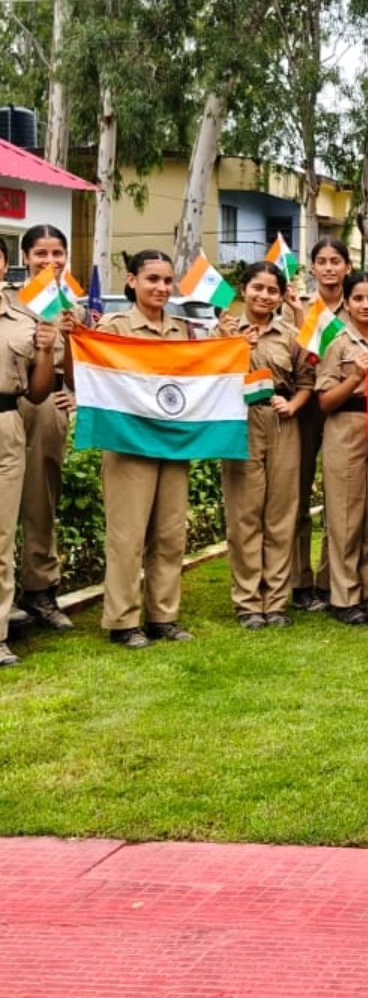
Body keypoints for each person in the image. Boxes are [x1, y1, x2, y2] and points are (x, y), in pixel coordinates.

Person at [89, 251, 194, 650]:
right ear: (132, 281)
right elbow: (92, 377)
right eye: (152, 279)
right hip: (128, 444)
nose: (161, 288)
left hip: (173, 443)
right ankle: (123, 621)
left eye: (167, 280)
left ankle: (163, 616)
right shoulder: (114, 327)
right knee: (127, 536)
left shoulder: (183, 331)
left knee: (170, 534)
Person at [220, 261, 314, 630]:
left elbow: (307, 382)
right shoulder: (224, 331)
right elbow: (208, 379)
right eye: (257, 288)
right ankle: (247, 602)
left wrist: (293, 405)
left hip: (281, 422)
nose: (264, 295)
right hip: (239, 422)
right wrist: (234, 348)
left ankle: (275, 601)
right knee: (245, 515)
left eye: (272, 290)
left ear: (280, 296)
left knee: (281, 515)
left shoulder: (289, 335)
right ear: (243, 290)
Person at [317, 271, 368, 625]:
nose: (366, 305)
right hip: (345, 427)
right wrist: (355, 375)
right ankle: (344, 596)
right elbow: (325, 401)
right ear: (346, 303)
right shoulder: (337, 344)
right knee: (345, 516)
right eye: (358, 298)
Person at [14, 224, 78, 633]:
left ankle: (40, 590)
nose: (49, 261)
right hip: (8, 402)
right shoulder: (9, 301)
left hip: (49, 406)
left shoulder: (72, 307)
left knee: (41, 499)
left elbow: (80, 372)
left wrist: (74, 394)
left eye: (57, 253)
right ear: (25, 258)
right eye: (41, 253)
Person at [0, 238, 58, 668]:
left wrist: (46, 349)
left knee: (2, 538)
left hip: (6, 423)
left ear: (5, 267)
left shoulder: (25, 318)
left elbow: (37, 392)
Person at [291, 236, 351, 613]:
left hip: (342, 408)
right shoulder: (298, 307)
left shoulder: (358, 304)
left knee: (339, 498)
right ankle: (299, 580)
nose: (329, 268)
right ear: (312, 267)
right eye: (322, 261)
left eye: (336, 261)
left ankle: (330, 580)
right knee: (296, 494)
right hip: (302, 406)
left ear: (347, 267)